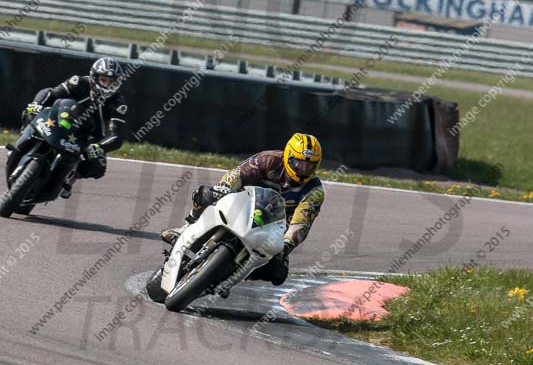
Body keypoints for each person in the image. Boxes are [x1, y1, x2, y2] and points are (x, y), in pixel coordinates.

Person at [161, 133, 325, 286]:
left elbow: (301, 224)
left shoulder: (315, 191)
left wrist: (287, 245)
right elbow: (238, 174)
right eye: (299, 163)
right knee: (204, 195)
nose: (303, 170)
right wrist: (223, 188)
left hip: (274, 228)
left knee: (278, 274)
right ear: (288, 156)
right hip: (243, 205)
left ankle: (235, 273)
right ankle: (186, 228)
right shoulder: (269, 160)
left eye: (309, 166)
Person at [5, 57, 127, 198]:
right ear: (94, 77)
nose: (107, 85)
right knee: (30, 112)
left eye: (112, 82)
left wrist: (100, 147)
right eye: (104, 80)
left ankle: (70, 179)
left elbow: (116, 136)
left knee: (98, 166)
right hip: (61, 118)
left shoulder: (119, 104)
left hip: (88, 135)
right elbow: (51, 92)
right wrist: (37, 104)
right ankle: (21, 139)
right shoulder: (79, 82)